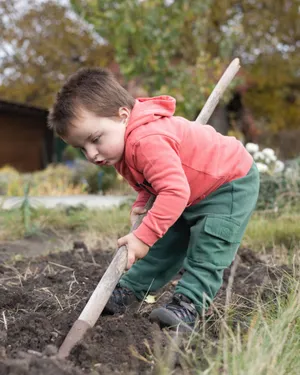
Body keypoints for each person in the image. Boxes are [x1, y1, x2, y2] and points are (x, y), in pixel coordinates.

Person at [48, 68, 260, 332]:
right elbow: (151, 181)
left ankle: (188, 304)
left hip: (228, 182)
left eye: (95, 140)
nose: (91, 155)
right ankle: (129, 290)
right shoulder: (119, 147)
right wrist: (141, 205)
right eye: (82, 148)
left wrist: (141, 238)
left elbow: (173, 191)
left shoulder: (147, 140)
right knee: (166, 241)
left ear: (122, 116)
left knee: (209, 245)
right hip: (189, 188)